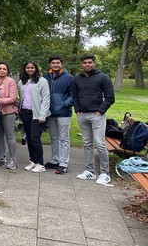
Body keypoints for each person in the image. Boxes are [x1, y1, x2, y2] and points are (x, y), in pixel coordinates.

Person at [72, 53, 115, 186]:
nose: (87, 65)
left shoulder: (103, 77)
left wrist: (100, 111)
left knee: (100, 144)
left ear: (94, 63)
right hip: (82, 115)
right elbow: (75, 96)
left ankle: (105, 173)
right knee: (87, 144)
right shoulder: (77, 78)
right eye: (85, 63)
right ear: (81, 64)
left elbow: (110, 97)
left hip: (97, 116)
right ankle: (90, 171)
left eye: (90, 62)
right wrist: (77, 110)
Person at [18, 61, 51, 173]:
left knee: (35, 138)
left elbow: (46, 99)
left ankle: (40, 164)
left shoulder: (42, 81)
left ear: (36, 69)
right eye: (27, 68)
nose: (30, 69)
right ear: (25, 69)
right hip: (25, 112)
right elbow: (21, 97)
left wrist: (42, 115)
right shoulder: (22, 82)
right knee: (29, 138)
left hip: (37, 114)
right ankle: (33, 160)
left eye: (32, 67)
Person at [44, 56, 74, 174]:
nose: (55, 65)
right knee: (54, 137)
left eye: (57, 63)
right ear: (50, 64)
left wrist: (64, 104)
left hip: (64, 112)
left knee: (64, 138)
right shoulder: (46, 77)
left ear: (61, 64)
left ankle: (63, 163)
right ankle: (54, 160)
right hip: (50, 113)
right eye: (53, 63)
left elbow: (73, 95)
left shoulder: (69, 78)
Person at [0, 62, 18, 169]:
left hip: (8, 112)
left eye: (4, 69)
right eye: (0, 68)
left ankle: (13, 160)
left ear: (7, 71)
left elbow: (12, 98)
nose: (2, 70)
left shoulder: (11, 81)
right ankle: (0, 158)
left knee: (10, 135)